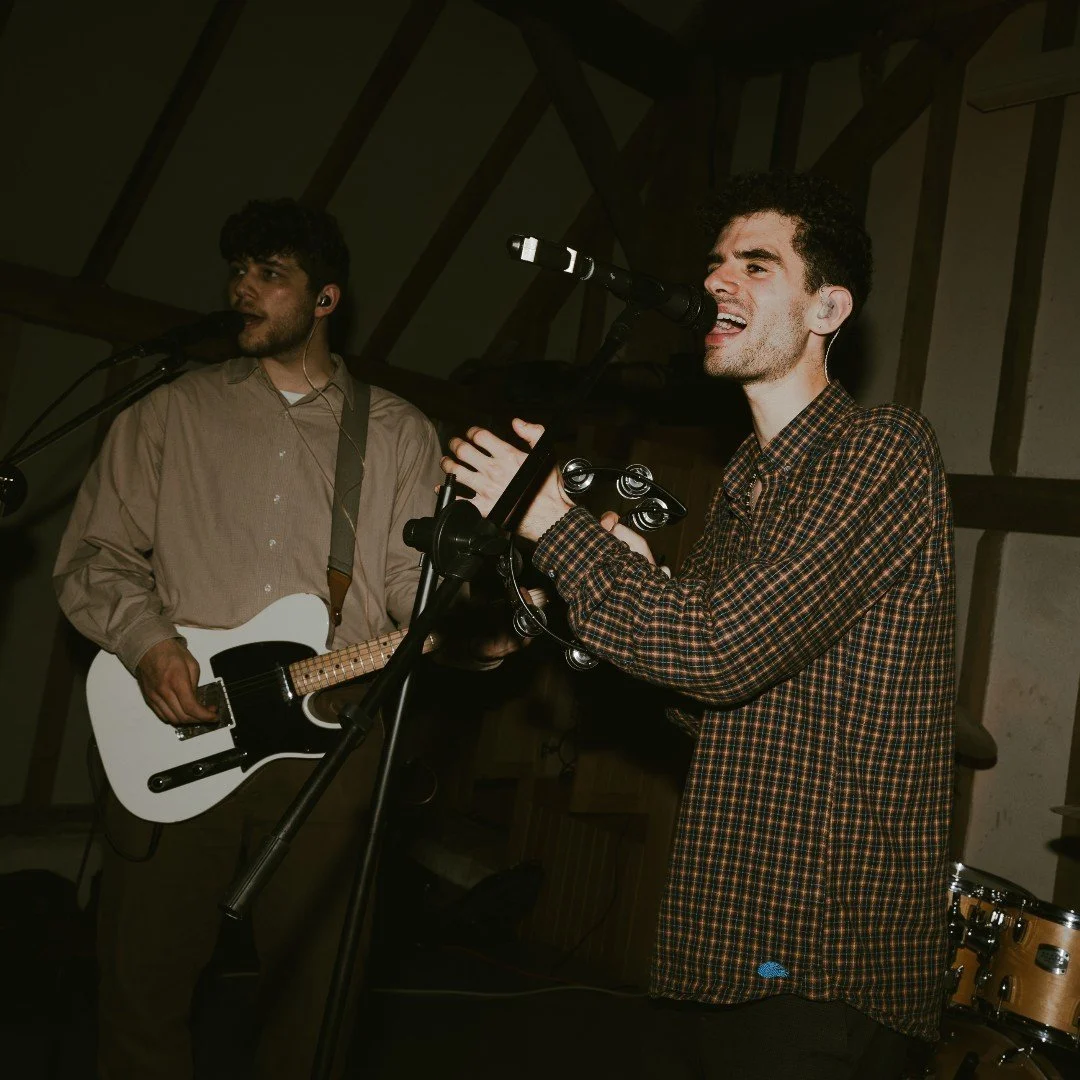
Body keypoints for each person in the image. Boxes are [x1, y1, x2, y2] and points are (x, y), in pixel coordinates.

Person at [441, 172, 955, 1079]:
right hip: (723, 946)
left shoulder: (884, 450)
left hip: (819, 963)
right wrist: (623, 601)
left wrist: (553, 526)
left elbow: (717, 653)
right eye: (716, 262)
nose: (719, 281)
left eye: (756, 265)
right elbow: (701, 702)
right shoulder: (744, 489)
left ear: (827, 306)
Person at [54, 198, 443, 1079]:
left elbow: (407, 588)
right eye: (237, 271)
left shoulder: (397, 432)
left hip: (330, 736)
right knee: (143, 982)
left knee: (317, 993)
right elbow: (93, 556)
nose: (243, 289)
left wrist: (470, 624)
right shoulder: (168, 413)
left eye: (271, 273)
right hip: (177, 723)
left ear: (326, 299)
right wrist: (151, 643)